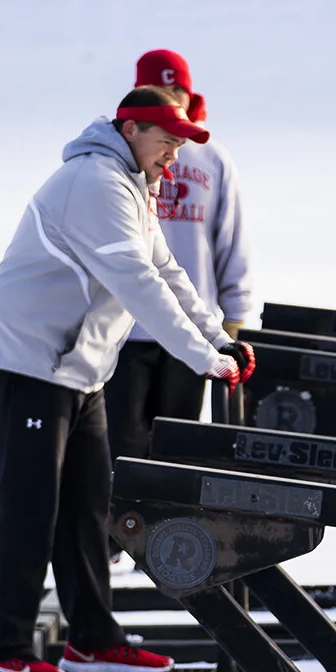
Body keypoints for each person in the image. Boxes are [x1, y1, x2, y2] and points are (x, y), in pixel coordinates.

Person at [0, 85, 256, 672]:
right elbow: (137, 283)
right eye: (167, 142)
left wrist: (218, 338)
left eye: (180, 144)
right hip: (27, 360)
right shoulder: (95, 183)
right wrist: (202, 358)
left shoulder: (133, 188)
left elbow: (169, 272)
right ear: (130, 130)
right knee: (28, 506)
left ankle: (92, 640)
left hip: (78, 368)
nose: (174, 156)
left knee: (88, 506)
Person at [105, 49, 259, 460]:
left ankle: (173, 526)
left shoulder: (213, 159)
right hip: (126, 329)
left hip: (192, 324)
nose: (172, 97)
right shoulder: (126, 154)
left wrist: (235, 314)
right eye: (161, 89)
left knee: (178, 446)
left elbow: (231, 240)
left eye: (179, 90)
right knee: (120, 445)